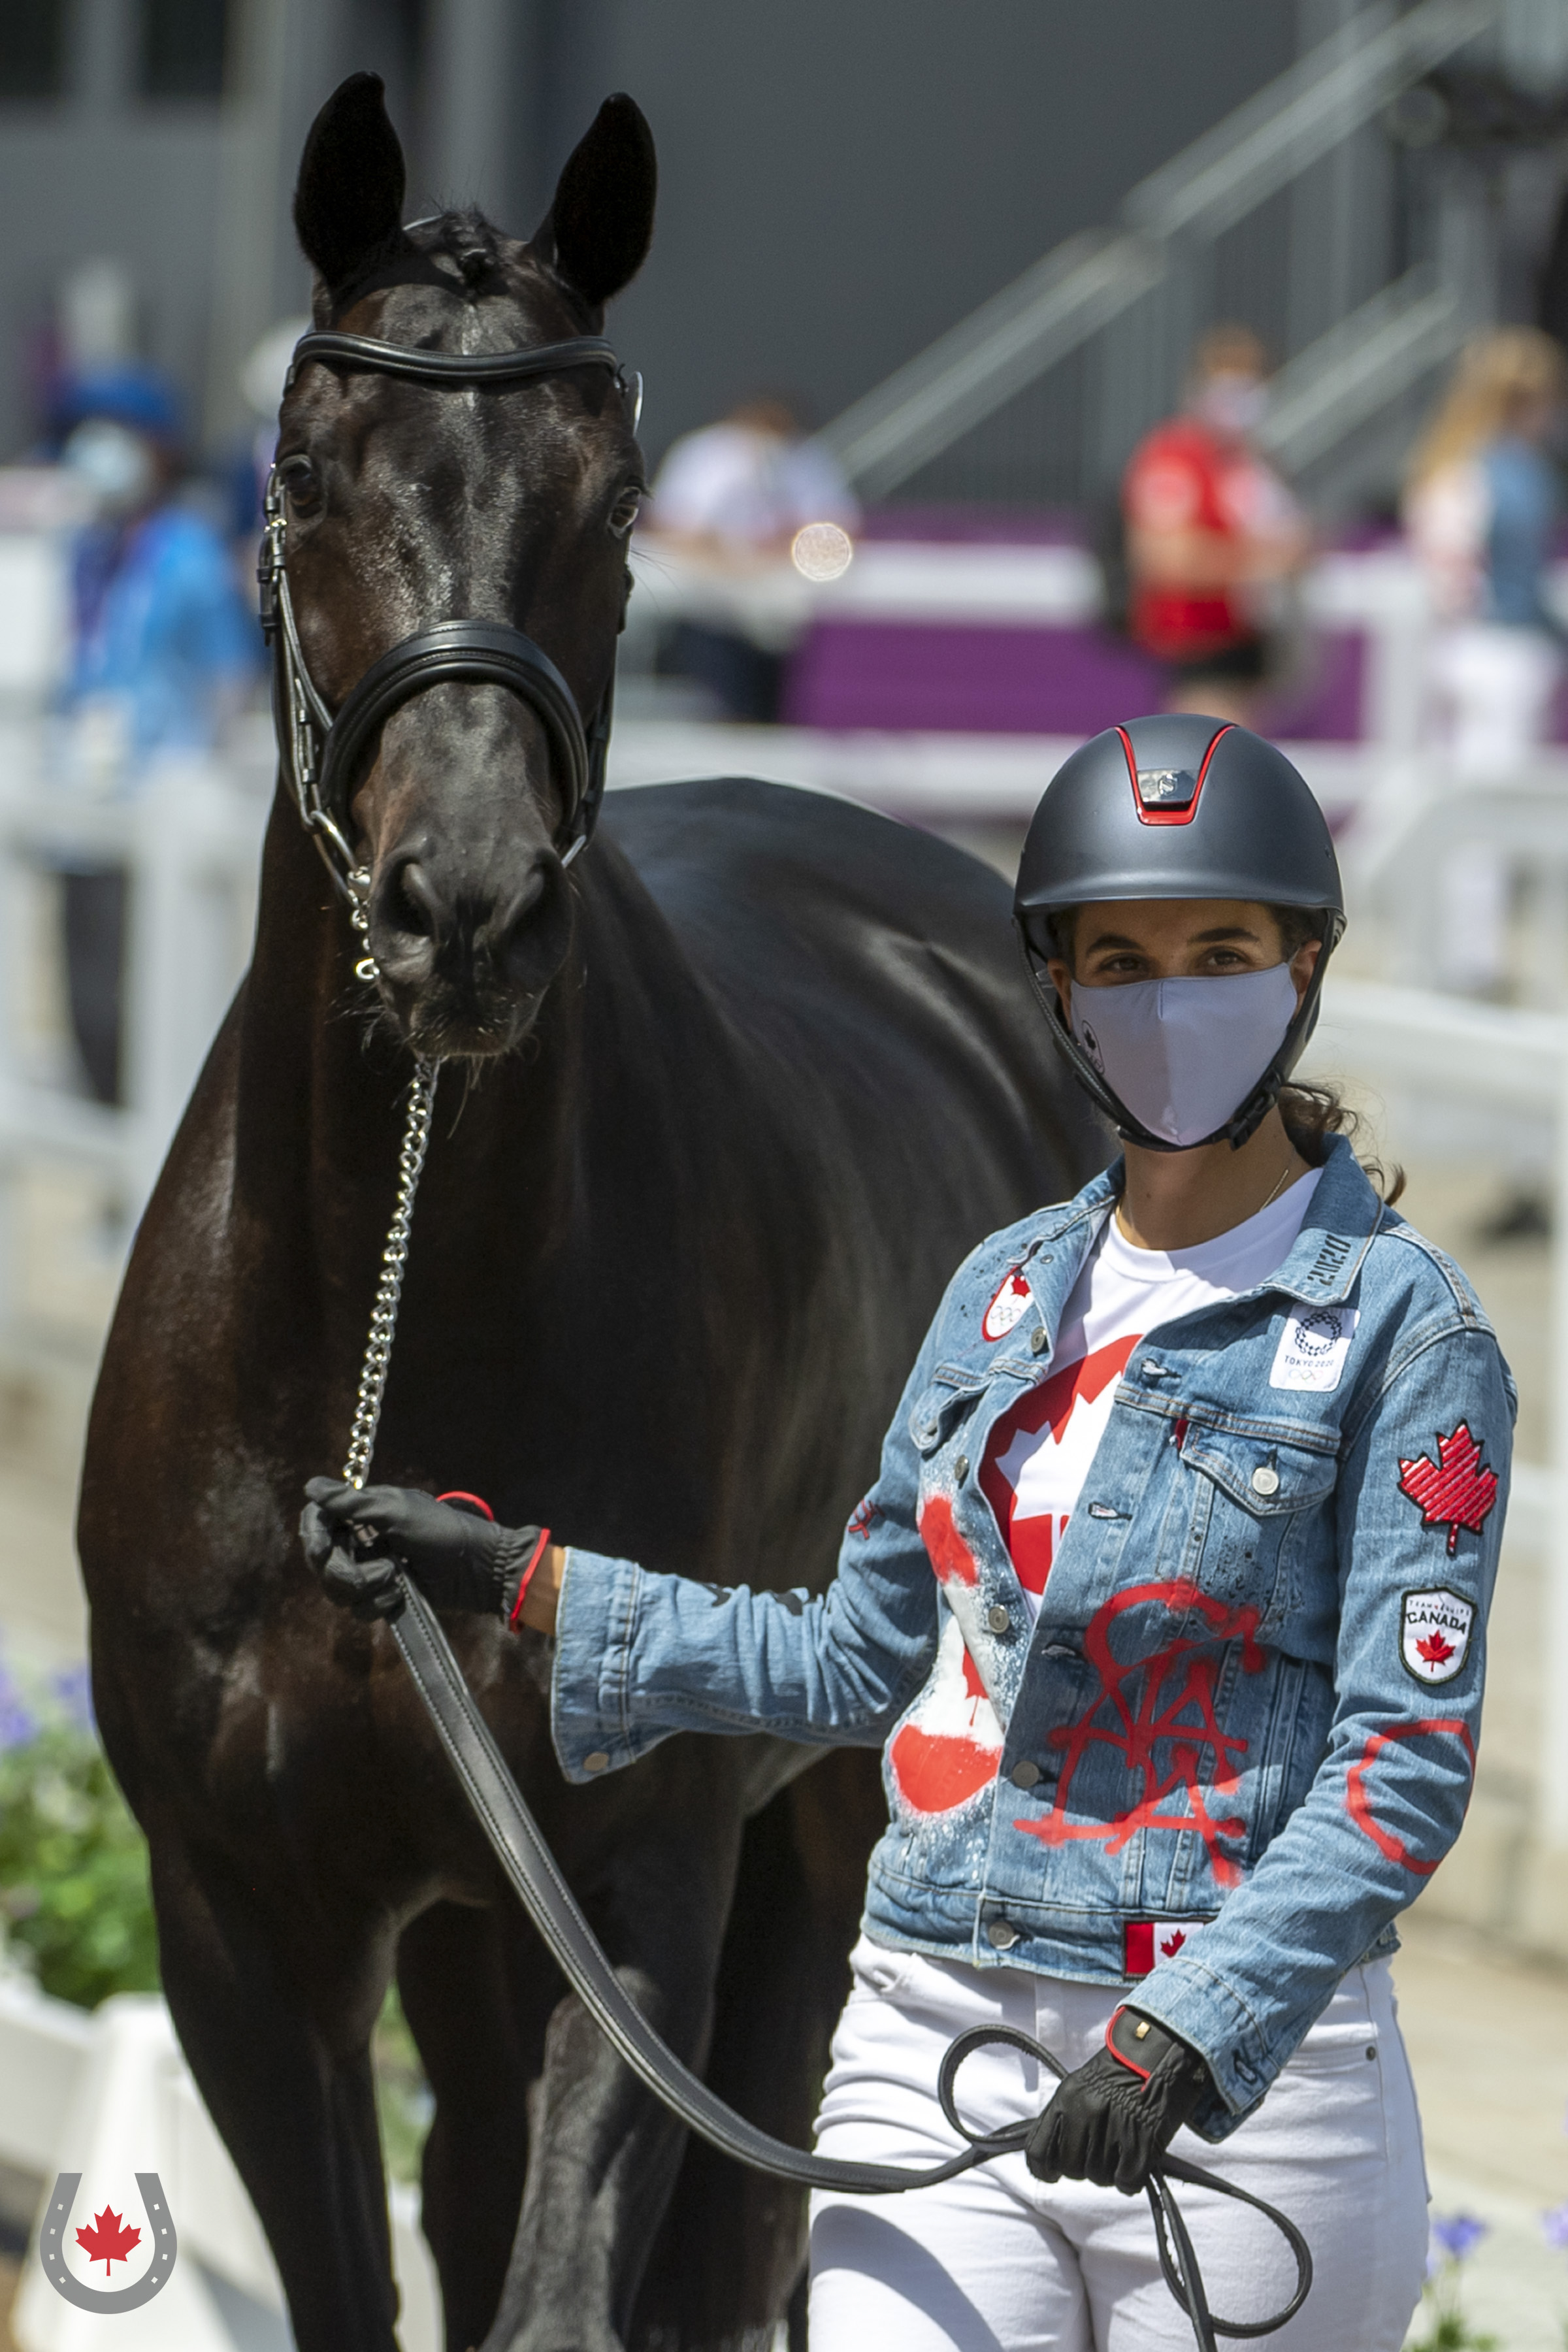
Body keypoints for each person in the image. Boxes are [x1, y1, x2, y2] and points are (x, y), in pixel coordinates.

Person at [302, 715, 1511, 2351]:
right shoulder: (1000, 1288)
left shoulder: (1404, 1339)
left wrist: (1182, 2033)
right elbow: (851, 1651)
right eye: (1118, 961)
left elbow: (1395, 1765)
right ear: (1058, 989)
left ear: (1299, 966)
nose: (1168, 1001)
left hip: (1243, 2088)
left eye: (1216, 953)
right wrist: (518, 1579)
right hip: (930, 2028)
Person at [52, 363, 257, 1104]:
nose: (95, 449)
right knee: (86, 1011)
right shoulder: (89, 550)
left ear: (157, 449)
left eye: (114, 434)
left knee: (145, 1011)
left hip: (157, 808)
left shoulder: (188, 553)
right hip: (85, 807)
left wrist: (198, 774)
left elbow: (230, 679)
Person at [1402, 329, 1568, 1000]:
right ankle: (1471, 955)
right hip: (1490, 650)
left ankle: (1475, 947)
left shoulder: (1487, 466)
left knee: (1485, 797)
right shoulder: (1479, 470)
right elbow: (1454, 574)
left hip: (1495, 649)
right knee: (1482, 801)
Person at [1122, 328, 1310, 725]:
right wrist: (1260, 561)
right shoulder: (1175, 457)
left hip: (1254, 647)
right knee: (1206, 753)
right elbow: (1168, 558)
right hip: (1202, 649)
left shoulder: (1256, 463)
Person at [642, 395, 859, 721]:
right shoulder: (707, 453)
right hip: (709, 608)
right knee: (720, 707)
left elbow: (837, 533)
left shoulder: (805, 457)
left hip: (780, 615)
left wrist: (774, 552)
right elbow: (673, 526)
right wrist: (729, 558)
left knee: (770, 712)